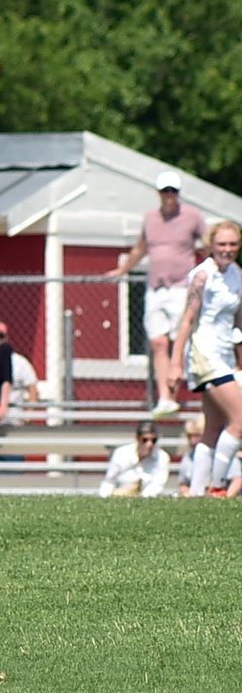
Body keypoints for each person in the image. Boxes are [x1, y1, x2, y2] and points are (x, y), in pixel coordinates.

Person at [105, 170, 206, 417]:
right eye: (165, 191)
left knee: (180, 341)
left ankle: (184, 391)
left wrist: (208, 274)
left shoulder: (192, 217)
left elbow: (207, 245)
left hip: (182, 287)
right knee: (158, 342)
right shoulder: (150, 218)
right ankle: (165, 397)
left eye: (173, 191)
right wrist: (123, 269)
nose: (169, 196)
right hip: (155, 288)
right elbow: (140, 248)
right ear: (159, 193)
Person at [169, 220, 242, 497]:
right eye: (222, 244)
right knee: (239, 421)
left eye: (233, 244)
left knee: (212, 427)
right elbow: (187, 320)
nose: (227, 249)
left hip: (224, 353)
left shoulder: (236, 274)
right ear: (211, 245)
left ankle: (197, 494)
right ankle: (218, 487)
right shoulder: (202, 276)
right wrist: (176, 363)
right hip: (205, 353)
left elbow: (239, 319)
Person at [98, 419, 171, 497]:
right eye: (145, 440)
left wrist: (137, 497)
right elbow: (109, 481)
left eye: (154, 440)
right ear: (137, 439)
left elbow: (157, 486)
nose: (149, 444)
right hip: (119, 496)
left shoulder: (162, 458)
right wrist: (106, 496)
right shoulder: (121, 453)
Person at [0, 321, 39, 421]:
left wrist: (28, 417)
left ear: (6, 338)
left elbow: (33, 390)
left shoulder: (20, 362)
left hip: (13, 416)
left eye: (0, 336)